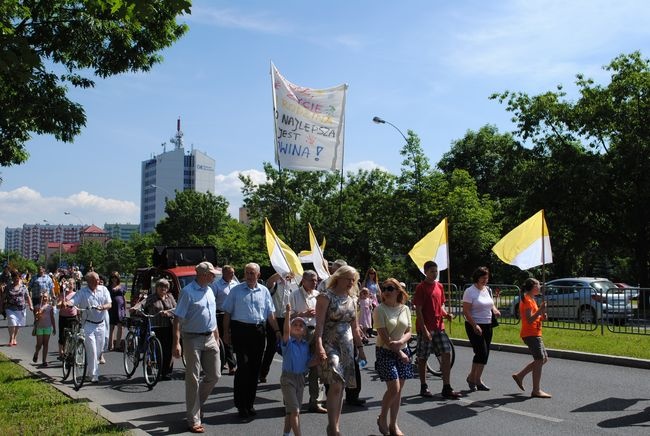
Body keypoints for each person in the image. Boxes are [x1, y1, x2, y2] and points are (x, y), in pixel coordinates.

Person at [222, 262, 281, 422]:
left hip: (258, 332)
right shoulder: (236, 291)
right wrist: (226, 333)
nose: (249, 276)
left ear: (258, 275)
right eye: (247, 272)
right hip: (240, 331)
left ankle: (250, 403)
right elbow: (227, 313)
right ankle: (241, 405)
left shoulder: (264, 291)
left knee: (255, 369)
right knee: (243, 368)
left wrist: (277, 331)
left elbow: (270, 314)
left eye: (252, 273)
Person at [314, 265, 367, 436]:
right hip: (330, 343)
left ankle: (335, 426)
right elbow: (319, 324)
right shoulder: (325, 297)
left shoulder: (353, 299)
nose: (351, 282)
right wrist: (319, 344)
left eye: (354, 279)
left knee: (342, 385)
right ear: (339, 278)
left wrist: (360, 348)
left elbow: (355, 326)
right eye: (348, 279)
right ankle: (332, 426)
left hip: (347, 345)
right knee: (335, 383)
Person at [172, 261, 221, 433]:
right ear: (202, 275)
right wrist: (176, 343)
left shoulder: (209, 290)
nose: (214, 276)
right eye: (211, 274)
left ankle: (196, 405)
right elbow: (177, 318)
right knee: (193, 378)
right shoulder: (187, 292)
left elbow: (212, 314)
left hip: (210, 337)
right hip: (192, 339)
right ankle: (194, 419)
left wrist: (217, 335)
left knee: (215, 375)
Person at [413, 261, 461, 399]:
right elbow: (419, 311)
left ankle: (446, 387)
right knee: (423, 357)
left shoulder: (439, 286)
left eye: (436, 271)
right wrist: (424, 330)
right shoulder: (421, 288)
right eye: (432, 271)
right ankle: (424, 386)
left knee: (446, 353)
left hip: (439, 327)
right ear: (426, 272)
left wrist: (447, 314)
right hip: (426, 328)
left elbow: (440, 306)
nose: (435, 273)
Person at [374, 279, 413, 436]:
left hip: (402, 351)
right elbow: (383, 336)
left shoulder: (405, 309)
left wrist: (402, 342)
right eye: (384, 288)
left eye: (390, 288)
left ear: (398, 291)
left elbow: (409, 331)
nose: (386, 291)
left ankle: (393, 424)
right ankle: (382, 417)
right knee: (394, 388)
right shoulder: (379, 310)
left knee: (398, 391)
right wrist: (399, 351)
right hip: (385, 352)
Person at [289, 270, 327, 414]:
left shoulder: (318, 295)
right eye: (311, 280)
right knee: (298, 368)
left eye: (316, 280)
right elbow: (288, 315)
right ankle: (293, 402)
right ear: (303, 280)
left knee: (316, 368)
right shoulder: (294, 295)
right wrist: (303, 314)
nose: (314, 282)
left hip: (316, 332)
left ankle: (315, 402)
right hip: (300, 333)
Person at [66, 271, 112, 383]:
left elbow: (109, 304)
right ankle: (94, 376)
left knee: (99, 350)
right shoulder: (83, 292)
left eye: (98, 279)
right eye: (95, 279)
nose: (98, 281)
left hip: (101, 324)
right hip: (88, 325)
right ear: (89, 281)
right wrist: (67, 303)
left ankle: (89, 372)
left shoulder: (103, 289)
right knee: (92, 349)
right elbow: (73, 301)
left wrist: (103, 307)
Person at [462, 266, 501, 391]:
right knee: (481, 352)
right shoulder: (470, 291)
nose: (485, 280)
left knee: (485, 354)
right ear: (477, 278)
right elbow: (466, 311)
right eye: (483, 278)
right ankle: (473, 377)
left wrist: (495, 310)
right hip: (474, 324)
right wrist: (475, 325)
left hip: (488, 324)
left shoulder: (487, 290)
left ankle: (475, 379)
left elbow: (491, 304)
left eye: (487, 278)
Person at [512, 278, 552, 398]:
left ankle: (520, 375)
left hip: (535, 333)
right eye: (538, 285)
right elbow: (529, 320)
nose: (540, 287)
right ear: (533, 287)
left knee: (543, 359)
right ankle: (536, 390)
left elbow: (535, 318)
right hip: (530, 334)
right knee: (539, 360)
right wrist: (540, 311)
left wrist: (541, 316)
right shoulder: (527, 301)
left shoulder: (532, 300)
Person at [280, 303, 316, 436]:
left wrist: (320, 358)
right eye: (294, 325)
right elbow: (285, 331)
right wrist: (288, 313)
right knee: (295, 411)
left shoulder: (306, 345)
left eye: (301, 326)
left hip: (301, 379)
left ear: (305, 331)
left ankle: (286, 434)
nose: (297, 327)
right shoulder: (288, 342)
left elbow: (309, 363)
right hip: (288, 379)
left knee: (291, 411)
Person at [260, 271, 297, 383]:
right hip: (274, 319)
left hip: (288, 319)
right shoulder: (276, 284)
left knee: (289, 348)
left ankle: (288, 374)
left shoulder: (294, 286)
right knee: (271, 347)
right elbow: (270, 281)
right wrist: (282, 272)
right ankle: (262, 373)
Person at [143, 278, 177, 380]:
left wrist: (169, 312)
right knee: (158, 349)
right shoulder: (151, 298)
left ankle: (166, 372)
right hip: (156, 326)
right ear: (156, 287)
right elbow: (142, 304)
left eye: (165, 286)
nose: (163, 288)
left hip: (169, 326)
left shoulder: (170, 297)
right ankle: (156, 368)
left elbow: (177, 308)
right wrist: (135, 308)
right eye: (161, 286)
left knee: (168, 350)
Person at [210, 264, 238, 375]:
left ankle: (224, 360)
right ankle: (232, 365)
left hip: (234, 315)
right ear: (224, 273)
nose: (232, 275)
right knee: (225, 339)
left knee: (233, 339)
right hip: (221, 314)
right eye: (230, 273)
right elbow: (212, 302)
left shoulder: (236, 284)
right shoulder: (216, 285)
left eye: (233, 273)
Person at [4, 268, 33, 346]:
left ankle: (15, 337)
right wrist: (1, 306)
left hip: (21, 309)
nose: (16, 280)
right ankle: (11, 338)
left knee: (17, 324)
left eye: (18, 278)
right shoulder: (8, 287)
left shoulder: (23, 287)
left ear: (20, 278)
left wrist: (31, 306)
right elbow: (3, 298)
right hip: (10, 308)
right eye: (14, 278)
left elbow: (28, 297)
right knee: (12, 322)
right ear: (12, 279)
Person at [32, 293, 56, 366]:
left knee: (45, 344)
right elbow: (36, 317)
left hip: (47, 327)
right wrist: (40, 311)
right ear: (40, 298)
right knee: (39, 344)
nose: (44, 298)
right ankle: (36, 353)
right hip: (39, 327)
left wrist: (54, 328)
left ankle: (44, 361)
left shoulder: (50, 307)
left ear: (48, 298)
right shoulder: (37, 306)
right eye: (42, 297)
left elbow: (52, 317)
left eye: (46, 297)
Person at [57, 278, 77, 360]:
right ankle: (61, 352)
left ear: (74, 285)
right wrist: (61, 303)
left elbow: (78, 305)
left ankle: (70, 352)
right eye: (68, 283)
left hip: (72, 316)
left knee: (72, 335)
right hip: (63, 316)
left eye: (71, 284)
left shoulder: (76, 294)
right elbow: (58, 305)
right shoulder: (62, 294)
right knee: (62, 335)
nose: (70, 285)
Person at [107, 271, 126, 351]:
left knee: (120, 326)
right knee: (111, 327)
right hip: (111, 308)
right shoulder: (108, 287)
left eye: (115, 277)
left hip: (120, 308)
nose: (114, 279)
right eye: (112, 278)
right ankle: (110, 345)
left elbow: (123, 297)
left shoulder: (122, 287)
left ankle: (117, 345)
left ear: (118, 278)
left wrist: (124, 309)